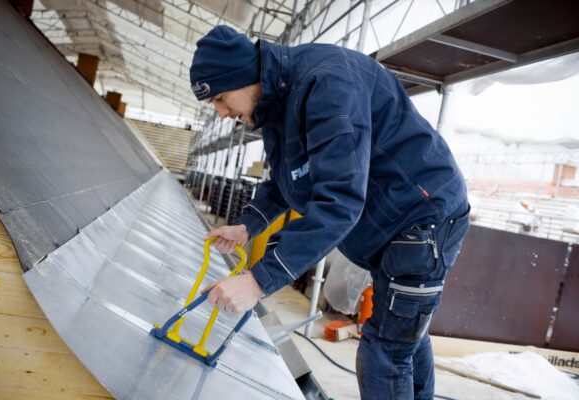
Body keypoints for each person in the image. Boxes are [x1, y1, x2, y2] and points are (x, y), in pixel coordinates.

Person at [190, 25, 470, 400]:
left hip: (422, 218)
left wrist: (257, 281)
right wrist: (248, 225)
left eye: (221, 99)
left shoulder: (328, 85)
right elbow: (290, 178)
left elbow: (339, 200)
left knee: (385, 351)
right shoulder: (276, 104)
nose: (222, 113)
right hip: (394, 222)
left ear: (245, 77)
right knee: (403, 338)